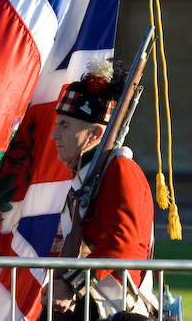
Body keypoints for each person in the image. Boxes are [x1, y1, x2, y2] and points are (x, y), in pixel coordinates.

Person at [43, 58, 156, 320]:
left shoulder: (119, 169)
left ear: (94, 135)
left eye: (65, 125)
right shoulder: (85, 177)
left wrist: (72, 284)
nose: (54, 135)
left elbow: (122, 241)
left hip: (113, 306)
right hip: (90, 302)